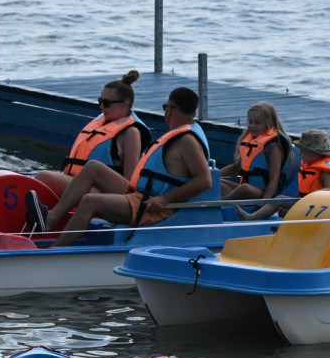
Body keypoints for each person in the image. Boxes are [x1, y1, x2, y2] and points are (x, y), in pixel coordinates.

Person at [26, 87, 212, 248]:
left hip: (151, 205)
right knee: (93, 167)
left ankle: (53, 251)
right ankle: (51, 218)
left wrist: (165, 199)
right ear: (193, 113)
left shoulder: (187, 140)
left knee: (91, 201)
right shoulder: (179, 136)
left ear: (169, 111)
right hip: (141, 194)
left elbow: (204, 181)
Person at [35, 70, 152, 197]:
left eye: (106, 103)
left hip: (103, 193)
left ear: (125, 104)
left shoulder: (131, 133)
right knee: (41, 184)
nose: (101, 107)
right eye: (100, 101)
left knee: (44, 177)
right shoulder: (100, 124)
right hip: (80, 184)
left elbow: (130, 182)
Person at [237, 129, 330, 221]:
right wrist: (295, 200)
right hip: (307, 203)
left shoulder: (326, 171)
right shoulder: (309, 165)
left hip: (319, 206)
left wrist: (312, 196)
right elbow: (302, 190)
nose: (300, 154)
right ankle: (292, 214)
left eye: (303, 151)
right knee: (281, 211)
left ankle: (250, 217)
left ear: (314, 153)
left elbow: (329, 188)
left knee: (279, 199)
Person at [220, 102, 294, 201]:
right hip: (248, 189)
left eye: (257, 123)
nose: (252, 126)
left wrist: (265, 201)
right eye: (250, 122)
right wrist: (212, 176)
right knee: (216, 182)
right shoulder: (252, 142)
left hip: (267, 193)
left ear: (269, 124)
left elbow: (274, 178)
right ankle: (224, 199)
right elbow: (235, 167)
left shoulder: (273, 147)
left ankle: (222, 201)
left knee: (244, 188)